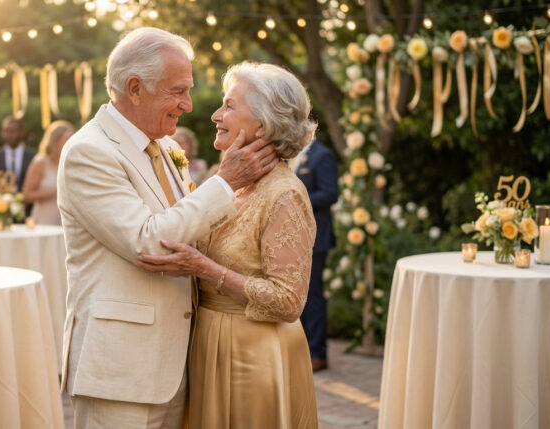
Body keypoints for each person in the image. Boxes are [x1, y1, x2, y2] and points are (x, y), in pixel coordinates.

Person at [57, 28, 278, 429]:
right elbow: (150, 243)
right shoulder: (88, 152)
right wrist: (225, 182)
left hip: (180, 362)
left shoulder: (169, 148)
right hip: (121, 371)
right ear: (136, 88)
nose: (188, 105)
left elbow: (192, 229)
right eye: (178, 91)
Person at [135, 61, 320, 429]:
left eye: (230, 106)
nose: (216, 115)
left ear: (263, 124)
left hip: (256, 358)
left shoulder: (284, 195)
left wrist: (203, 269)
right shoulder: (230, 182)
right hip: (209, 346)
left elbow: (289, 301)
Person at [290, 135, 339, 371]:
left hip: (316, 238)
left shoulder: (323, 155)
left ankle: (318, 353)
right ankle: (298, 350)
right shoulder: (289, 153)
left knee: (313, 296)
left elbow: (330, 194)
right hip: (291, 236)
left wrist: (293, 196)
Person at [22, 120, 74, 225]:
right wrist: (56, 190)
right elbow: (26, 196)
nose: (71, 142)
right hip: (45, 219)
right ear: (55, 140)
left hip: (67, 221)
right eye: (67, 139)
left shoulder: (73, 162)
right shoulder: (40, 162)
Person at [0, 116, 37, 193]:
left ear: (21, 132)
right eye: (6, 131)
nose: (9, 135)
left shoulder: (34, 157)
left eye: (12, 131)